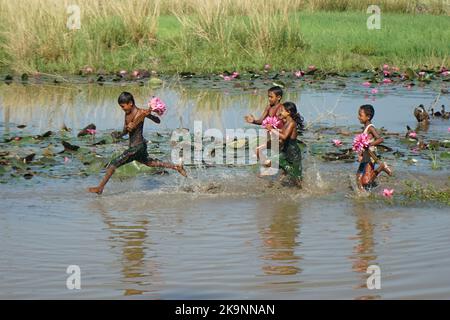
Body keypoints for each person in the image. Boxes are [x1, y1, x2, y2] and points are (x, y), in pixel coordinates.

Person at [88, 92, 186, 195]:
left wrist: (150, 115)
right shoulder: (127, 113)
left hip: (136, 147)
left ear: (130, 103)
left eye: (123, 106)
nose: (123, 109)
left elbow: (158, 121)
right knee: (150, 163)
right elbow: (126, 131)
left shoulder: (141, 112)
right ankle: (176, 167)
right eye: (121, 107)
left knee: (113, 164)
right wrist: (121, 134)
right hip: (139, 147)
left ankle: (100, 188)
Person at [356, 104, 392, 191]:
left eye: (360, 115)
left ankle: (381, 167)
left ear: (368, 117)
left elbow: (380, 139)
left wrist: (369, 145)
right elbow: (362, 142)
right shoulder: (365, 127)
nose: (358, 117)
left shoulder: (370, 128)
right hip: (365, 155)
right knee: (358, 178)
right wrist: (360, 153)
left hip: (370, 156)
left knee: (366, 181)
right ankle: (361, 195)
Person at [267, 102, 304, 186]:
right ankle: (278, 180)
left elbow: (284, 136)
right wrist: (273, 129)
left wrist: (272, 130)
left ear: (288, 112)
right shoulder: (287, 122)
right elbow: (282, 131)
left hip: (293, 153)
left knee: (297, 180)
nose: (280, 112)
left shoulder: (291, 123)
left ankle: (302, 190)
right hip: (286, 151)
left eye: (282, 111)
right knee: (271, 162)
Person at [244, 86, 284, 164]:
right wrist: (253, 121)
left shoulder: (281, 108)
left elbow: (284, 124)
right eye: (268, 97)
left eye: (271, 97)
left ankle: (269, 167)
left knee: (278, 156)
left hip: (280, 138)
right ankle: (267, 166)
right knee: (257, 150)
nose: (269, 99)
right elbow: (261, 121)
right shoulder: (268, 107)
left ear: (278, 97)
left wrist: (274, 129)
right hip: (271, 137)